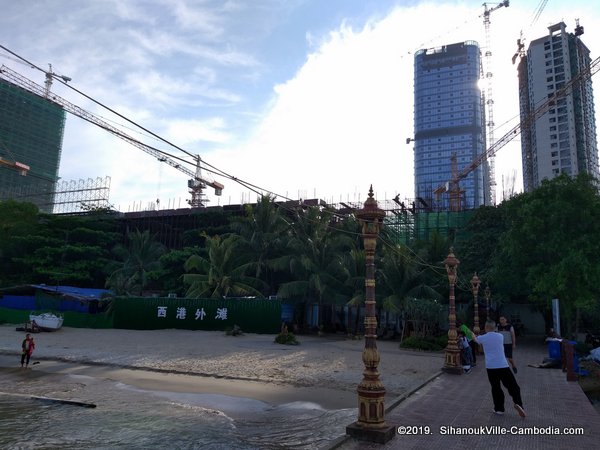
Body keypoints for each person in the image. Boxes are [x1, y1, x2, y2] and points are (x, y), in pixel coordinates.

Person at [473, 320, 525, 417]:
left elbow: (474, 338)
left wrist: (471, 333)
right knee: (513, 386)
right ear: (495, 328)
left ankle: (499, 409)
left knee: (496, 388)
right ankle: (518, 403)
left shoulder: (482, 338)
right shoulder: (500, 336)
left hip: (491, 367)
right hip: (503, 365)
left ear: (486, 327)